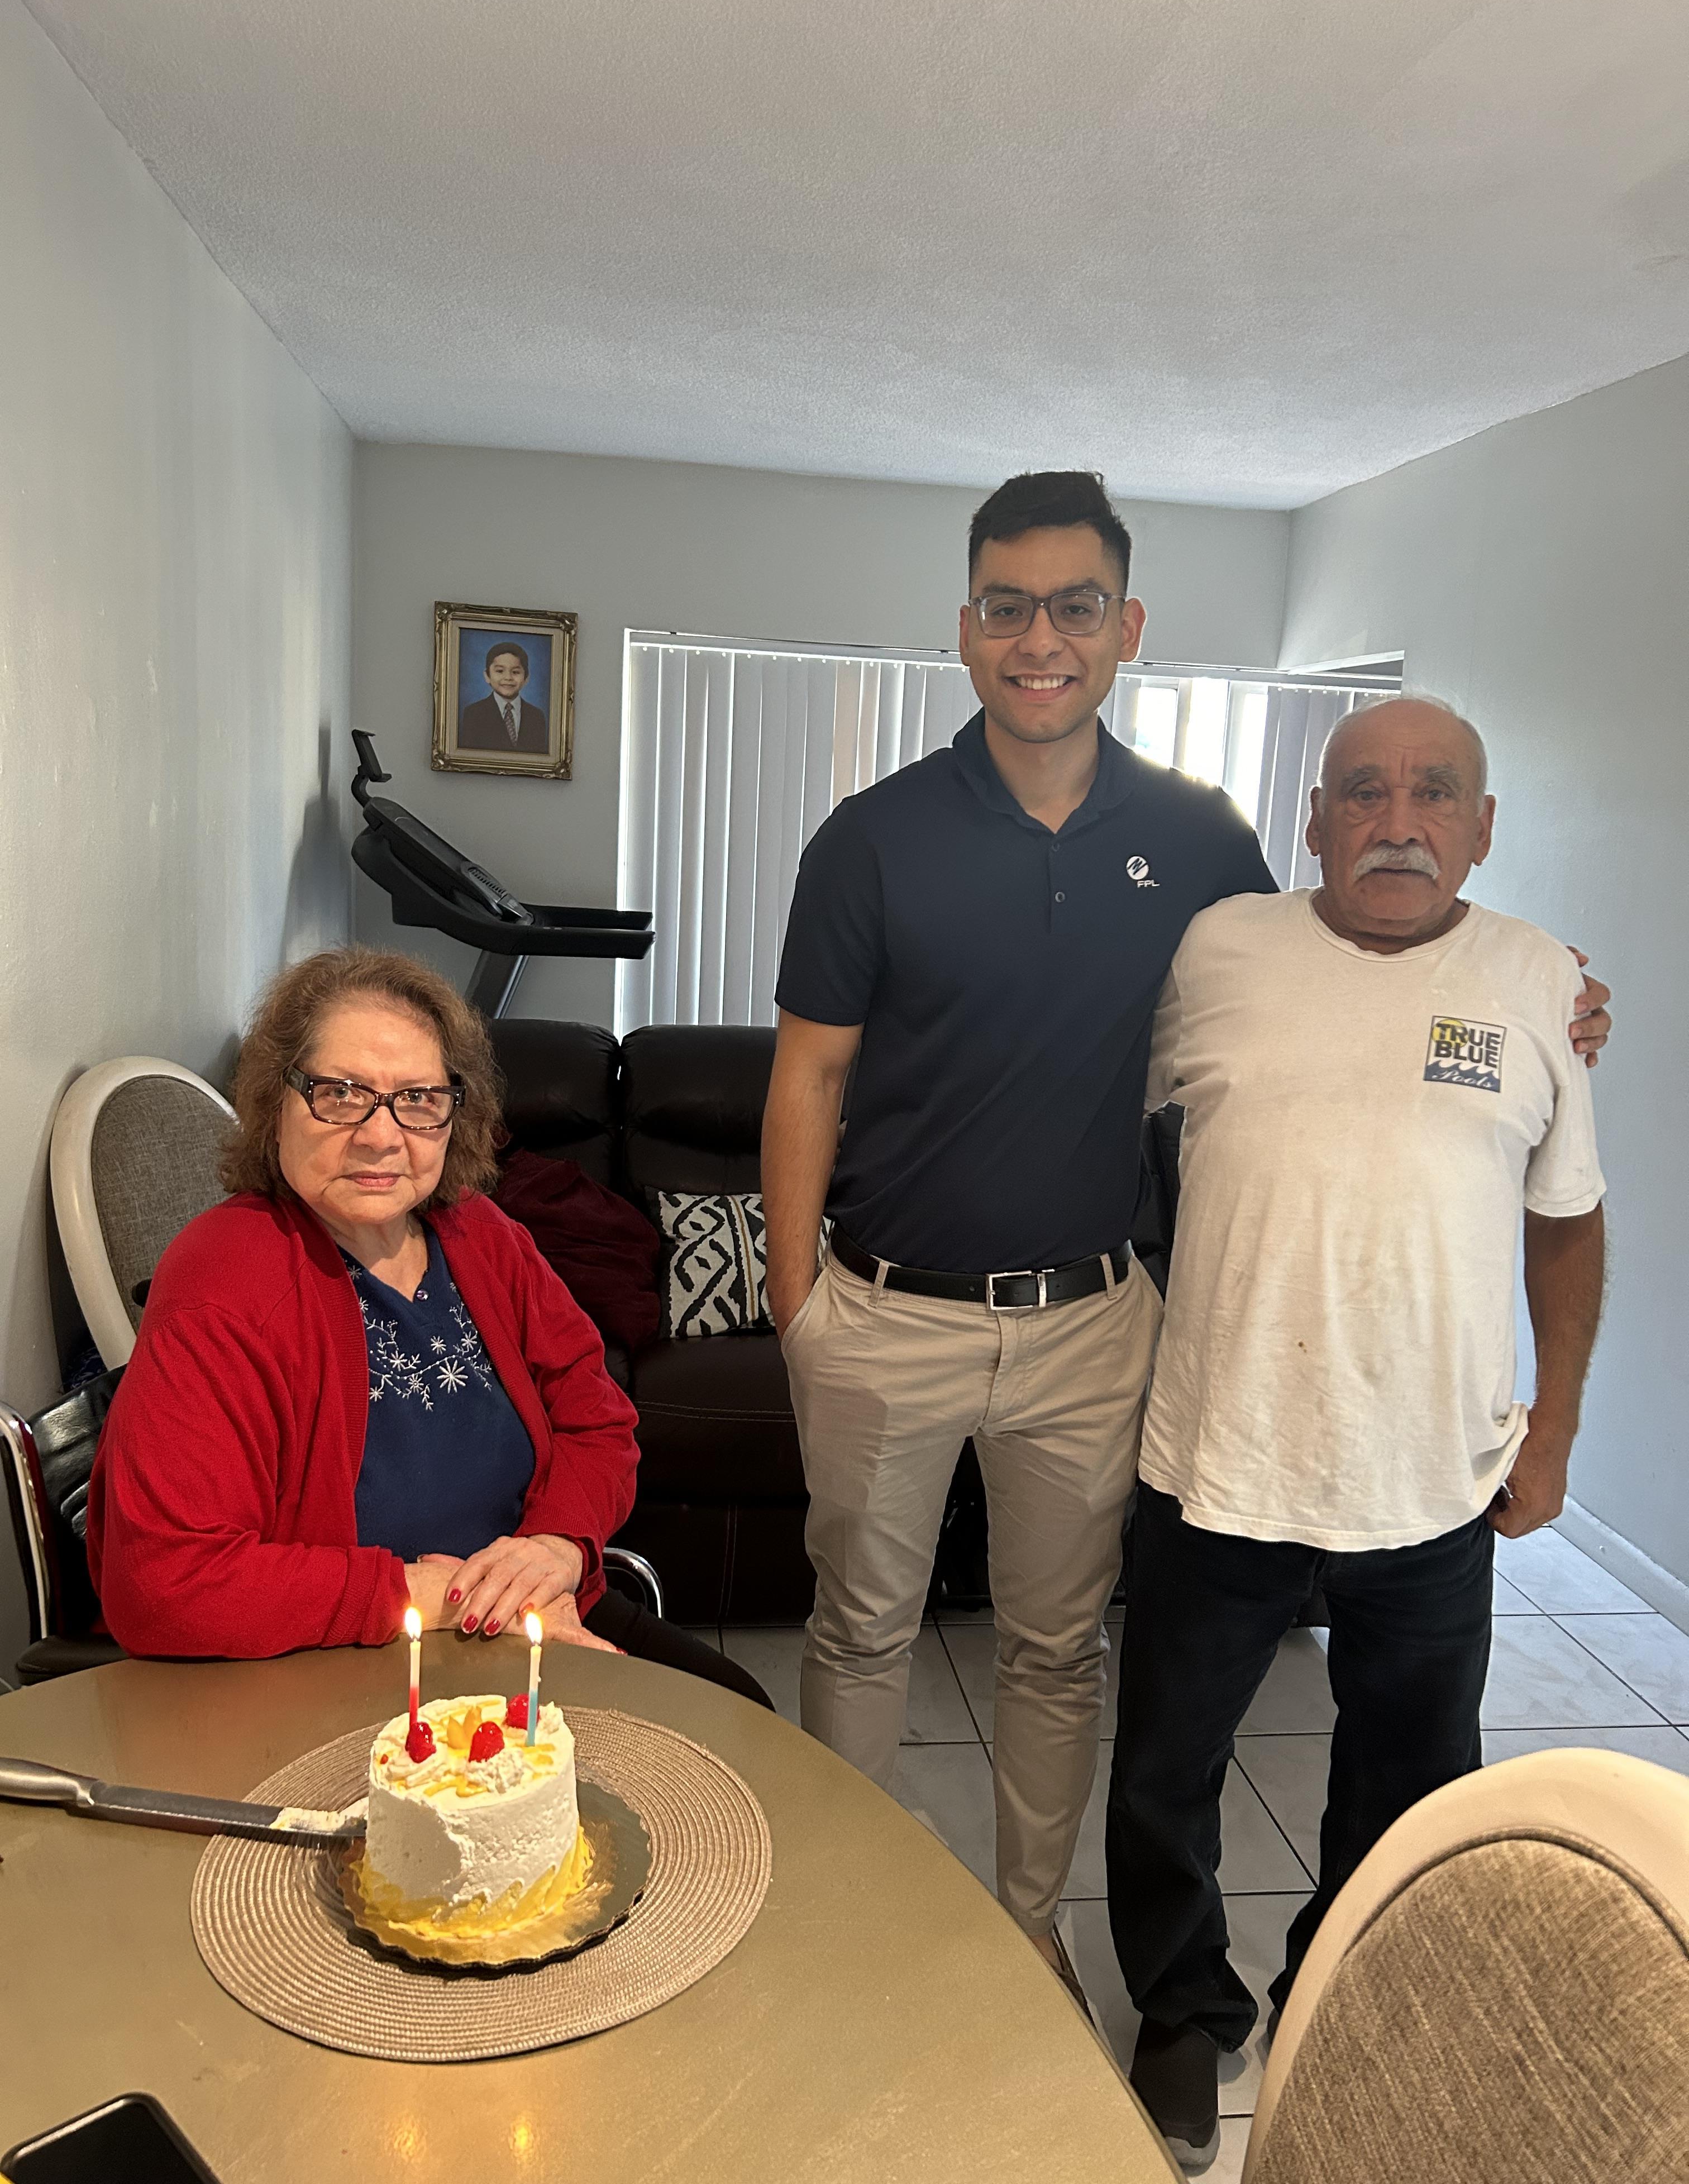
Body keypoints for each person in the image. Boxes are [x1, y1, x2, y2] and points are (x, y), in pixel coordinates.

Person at [763, 471, 1611, 2012]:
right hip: (885, 1315)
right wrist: (795, 1301)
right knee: (862, 1628)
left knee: (1057, 1654)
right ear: (966, 630)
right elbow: (809, 1073)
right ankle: (843, 1924)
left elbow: (1353, 948)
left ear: (1126, 626)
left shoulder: (1202, 845)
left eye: (1076, 606)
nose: (1042, 637)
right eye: (1009, 606)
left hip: (1096, 1324)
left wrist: (1547, 1002)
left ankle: (1028, 1937)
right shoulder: (870, 839)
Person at [1105, 697, 1606, 2169]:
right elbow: (1109, 1126)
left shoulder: (1536, 981)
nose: (1400, 818)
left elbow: (1565, 1229)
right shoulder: (1218, 953)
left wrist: (1556, 1434)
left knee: (1409, 1781)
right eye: (1364, 792)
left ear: (1484, 826)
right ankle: (1187, 2014)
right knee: (1164, 1774)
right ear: (1314, 818)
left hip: (1433, 1483)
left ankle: (1342, 1983)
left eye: (1436, 793)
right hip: (1219, 1462)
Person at [87, 946, 771, 1708]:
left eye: (418, 1098)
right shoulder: (226, 1277)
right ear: (275, 1103)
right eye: (341, 1094)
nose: (382, 1136)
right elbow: (164, 1581)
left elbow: (598, 1418)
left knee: (739, 1710)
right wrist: (435, 1594)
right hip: (342, 1661)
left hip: (519, 1615)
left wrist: (552, 1549)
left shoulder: (483, 1234)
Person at [459, 639, 548, 752]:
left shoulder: (537, 716)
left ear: (526, 678)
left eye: (515, 672)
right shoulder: (473, 713)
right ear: (487, 676)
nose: (508, 678)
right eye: (500, 671)